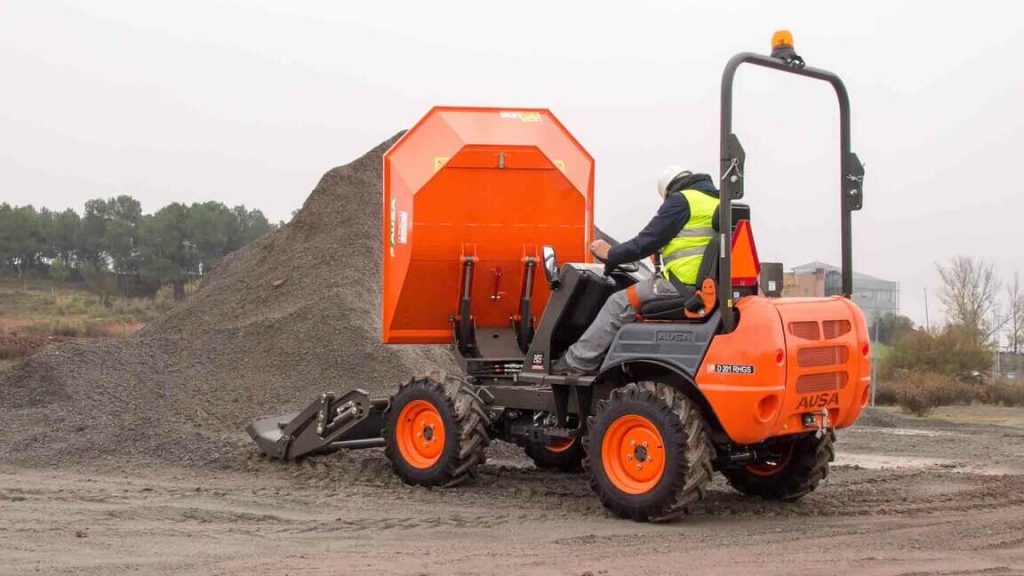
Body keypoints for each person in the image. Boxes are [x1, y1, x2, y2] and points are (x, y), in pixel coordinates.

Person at [552, 167, 721, 375]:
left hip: (682, 284)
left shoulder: (681, 200)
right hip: (705, 283)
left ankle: (576, 363)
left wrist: (611, 254)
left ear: (668, 191)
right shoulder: (717, 201)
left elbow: (645, 242)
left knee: (618, 303)